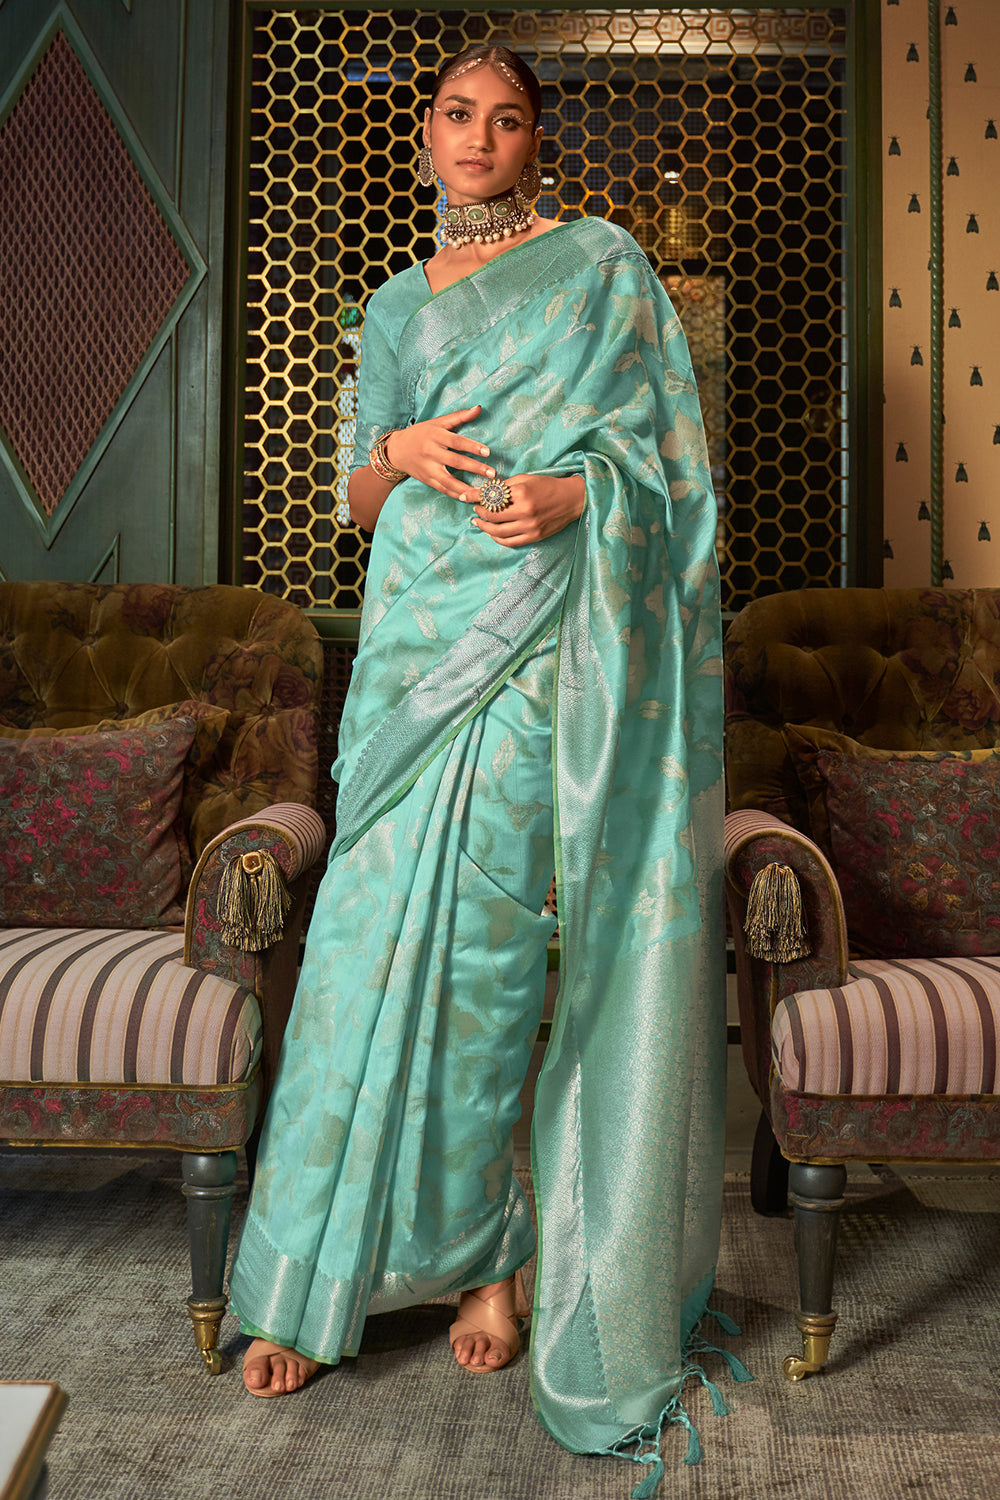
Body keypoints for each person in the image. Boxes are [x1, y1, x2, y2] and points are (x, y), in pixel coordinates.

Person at [228, 43, 743, 1492]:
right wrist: (394, 445)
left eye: (507, 119)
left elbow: (674, 468)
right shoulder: (394, 305)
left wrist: (580, 491)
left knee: (491, 966)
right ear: (428, 138)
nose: (479, 136)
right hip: (412, 650)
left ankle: (489, 1260)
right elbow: (358, 492)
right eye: (458, 114)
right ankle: (309, 1281)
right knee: (357, 956)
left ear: (534, 145)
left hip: (535, 652)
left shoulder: (601, 270)